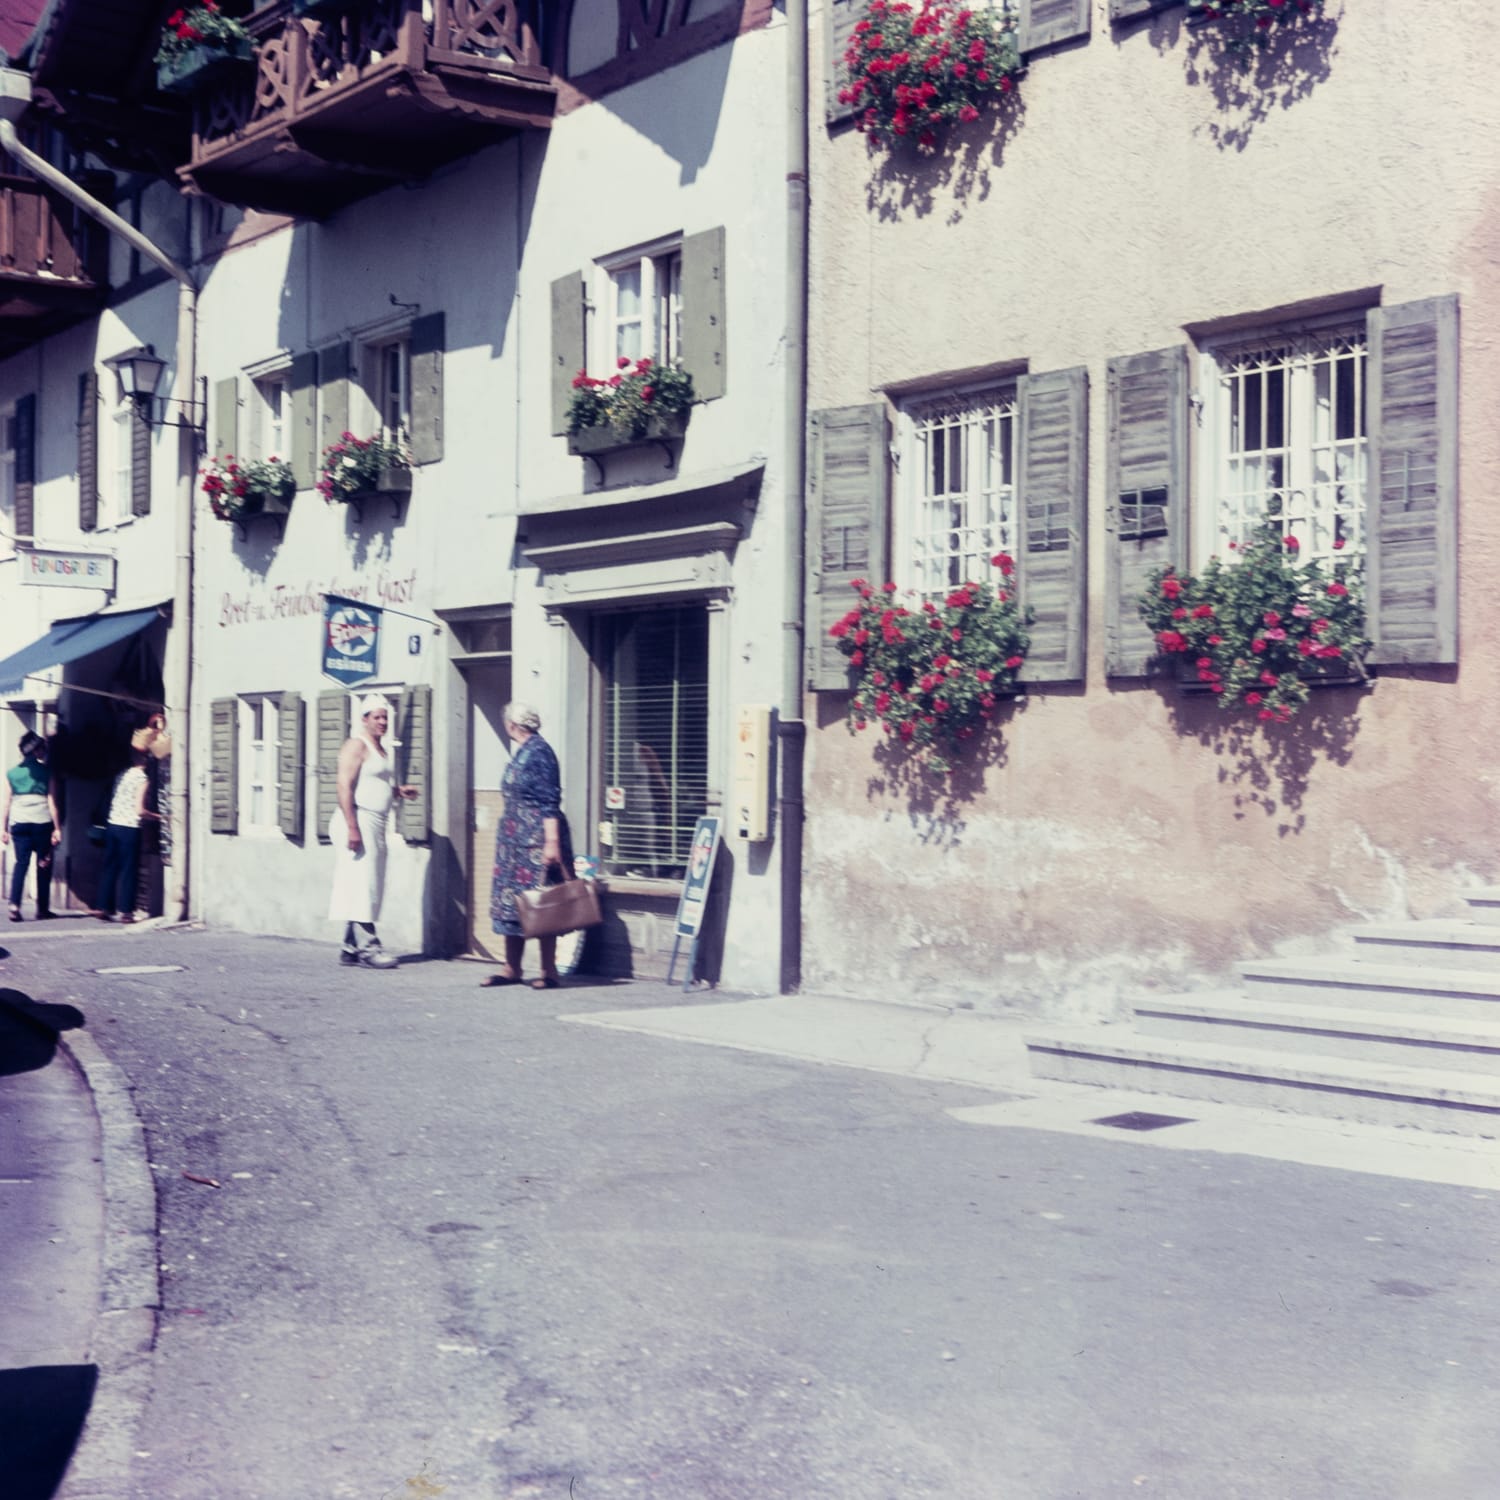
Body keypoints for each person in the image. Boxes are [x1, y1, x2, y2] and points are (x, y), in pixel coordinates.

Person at [483, 701, 571, 990]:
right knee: (512, 904)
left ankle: (549, 971)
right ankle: (512, 968)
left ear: (512, 725)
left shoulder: (540, 753)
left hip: (535, 843)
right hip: (513, 845)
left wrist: (552, 844)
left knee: (542, 903)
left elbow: (550, 801)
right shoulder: (523, 752)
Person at [328, 693, 417, 969]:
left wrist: (398, 792)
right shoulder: (356, 745)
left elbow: (374, 785)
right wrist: (352, 827)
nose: (382, 722)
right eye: (377, 717)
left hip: (376, 821)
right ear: (364, 719)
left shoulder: (381, 749)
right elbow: (344, 786)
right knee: (363, 882)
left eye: (385, 717)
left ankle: (349, 946)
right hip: (357, 819)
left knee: (366, 882)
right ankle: (369, 947)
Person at [94, 748, 159, 923]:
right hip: (129, 828)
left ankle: (103, 906)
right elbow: (140, 810)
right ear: (145, 760)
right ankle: (126, 911)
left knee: (110, 867)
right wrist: (158, 817)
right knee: (128, 870)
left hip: (113, 825)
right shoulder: (142, 779)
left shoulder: (121, 774)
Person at [2, 731, 61, 921]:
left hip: (19, 823)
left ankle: (14, 905)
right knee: (43, 865)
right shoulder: (47, 772)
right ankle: (42, 908)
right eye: (42, 747)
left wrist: (3, 828)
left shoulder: (11, 773)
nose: (44, 751)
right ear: (36, 750)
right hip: (41, 823)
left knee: (21, 864)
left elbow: (6, 802)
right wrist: (57, 828)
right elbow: (52, 803)